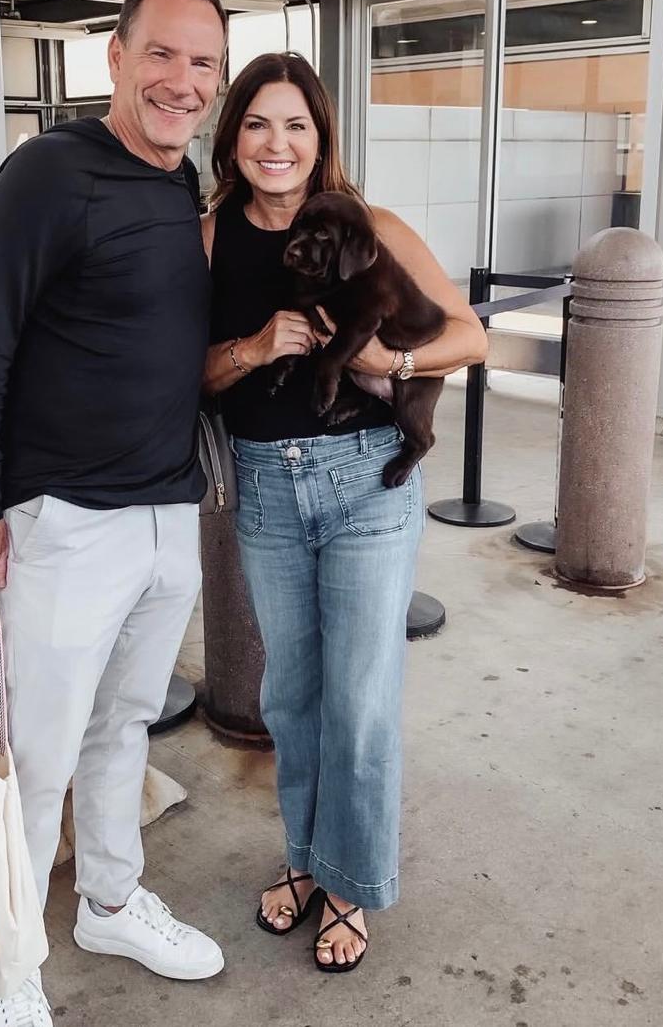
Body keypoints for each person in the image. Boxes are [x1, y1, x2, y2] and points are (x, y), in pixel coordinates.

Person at [0, 0, 227, 1026]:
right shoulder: (49, 175)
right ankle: (8, 963)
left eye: (202, 64)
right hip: (64, 523)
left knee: (123, 731)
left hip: (166, 515)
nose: (181, 82)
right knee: (42, 756)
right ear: (116, 57)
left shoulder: (179, 184)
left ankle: (108, 899)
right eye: (162, 55)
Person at [201, 53, 488, 973]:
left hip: (369, 481)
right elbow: (189, 378)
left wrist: (390, 369)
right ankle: (303, 859)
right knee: (293, 697)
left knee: (360, 703)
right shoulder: (207, 240)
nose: (276, 144)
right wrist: (250, 349)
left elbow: (470, 334)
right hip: (267, 488)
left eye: (296, 126)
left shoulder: (374, 226)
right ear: (233, 137)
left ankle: (351, 883)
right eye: (257, 124)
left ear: (321, 137)